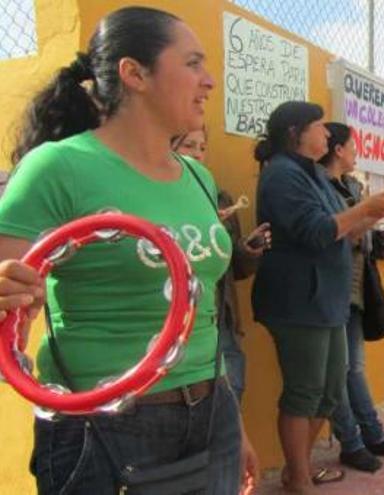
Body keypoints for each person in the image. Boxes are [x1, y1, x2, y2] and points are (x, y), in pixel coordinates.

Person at [0, 6, 258, 493]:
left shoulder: (198, 177)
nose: (209, 81)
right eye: (193, 64)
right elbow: (7, 302)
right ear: (134, 73)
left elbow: (199, 309)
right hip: (101, 424)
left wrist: (233, 423)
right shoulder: (57, 168)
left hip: (211, 413)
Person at [251, 102, 384, 494]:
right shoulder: (281, 175)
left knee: (328, 391)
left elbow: (344, 232)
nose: (327, 134)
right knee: (304, 392)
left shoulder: (315, 176)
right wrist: (365, 208)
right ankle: (300, 479)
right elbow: (317, 232)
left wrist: (376, 216)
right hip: (298, 300)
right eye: (319, 127)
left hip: (329, 300)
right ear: (294, 132)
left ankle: (297, 470)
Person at [318, 122, 384, 473]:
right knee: (337, 371)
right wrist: (368, 215)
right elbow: (330, 233)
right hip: (331, 289)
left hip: (357, 288)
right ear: (338, 149)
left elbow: (364, 244)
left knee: (354, 367)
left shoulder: (354, 186)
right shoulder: (318, 186)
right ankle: (351, 441)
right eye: (352, 145)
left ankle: (373, 434)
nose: (357, 152)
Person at [172, 127, 271, 403]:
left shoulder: (220, 198)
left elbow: (232, 268)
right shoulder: (154, 195)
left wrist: (248, 249)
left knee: (232, 388)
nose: (197, 154)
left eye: (202, 148)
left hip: (221, 315)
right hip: (182, 317)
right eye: (188, 145)